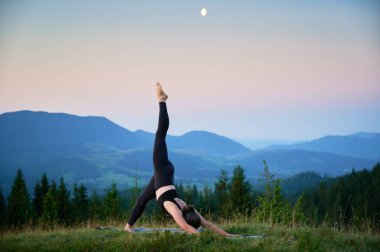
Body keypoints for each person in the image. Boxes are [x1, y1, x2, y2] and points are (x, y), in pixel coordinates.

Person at [123, 83, 238, 237]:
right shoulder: (177, 209)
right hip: (163, 170)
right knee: (160, 136)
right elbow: (185, 226)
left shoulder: (187, 209)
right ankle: (161, 100)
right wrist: (199, 234)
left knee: (142, 200)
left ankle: (128, 226)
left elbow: (205, 225)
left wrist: (229, 235)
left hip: (162, 179)